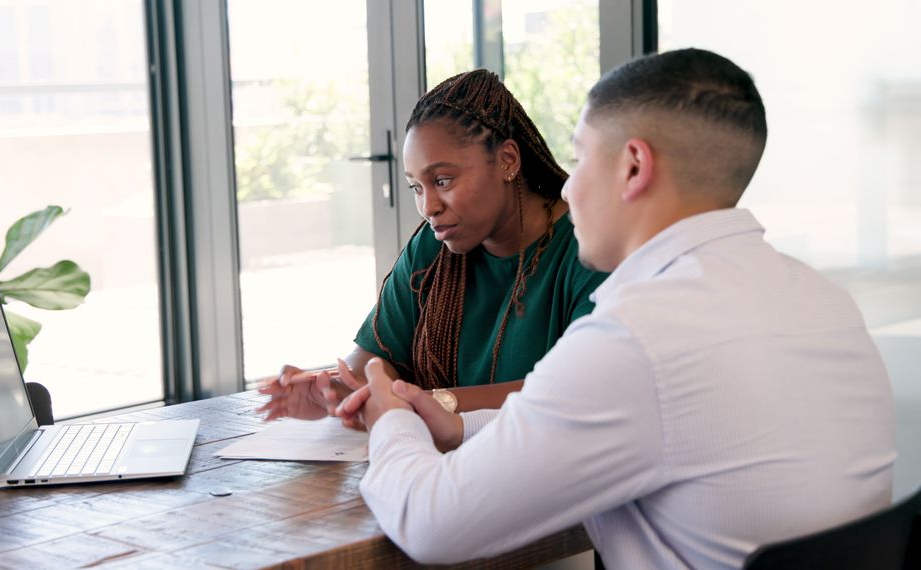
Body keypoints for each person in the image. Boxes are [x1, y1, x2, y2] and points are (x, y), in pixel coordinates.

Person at [336, 48, 896, 568]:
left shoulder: (638, 338)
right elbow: (613, 419)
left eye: (580, 159)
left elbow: (430, 522)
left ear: (633, 166)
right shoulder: (826, 303)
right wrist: (461, 428)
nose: (569, 187)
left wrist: (393, 421)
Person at [258, 69, 608, 419]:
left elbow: (576, 390)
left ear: (507, 161)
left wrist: (424, 403)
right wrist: (334, 391)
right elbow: (372, 362)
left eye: (442, 180)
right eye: (416, 187)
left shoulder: (590, 246)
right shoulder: (435, 247)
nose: (429, 208)